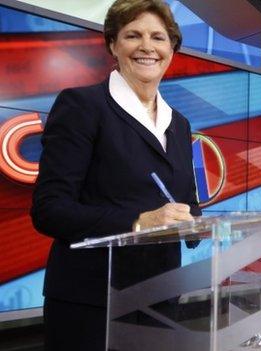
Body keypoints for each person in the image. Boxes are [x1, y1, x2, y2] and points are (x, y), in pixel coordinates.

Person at [30, 1, 200, 349]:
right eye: (132, 35)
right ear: (112, 44)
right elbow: (50, 210)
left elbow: (186, 202)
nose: (147, 47)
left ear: (172, 49)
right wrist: (138, 222)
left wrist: (196, 223)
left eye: (159, 37)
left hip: (161, 298)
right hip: (91, 304)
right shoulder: (82, 107)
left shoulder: (179, 124)